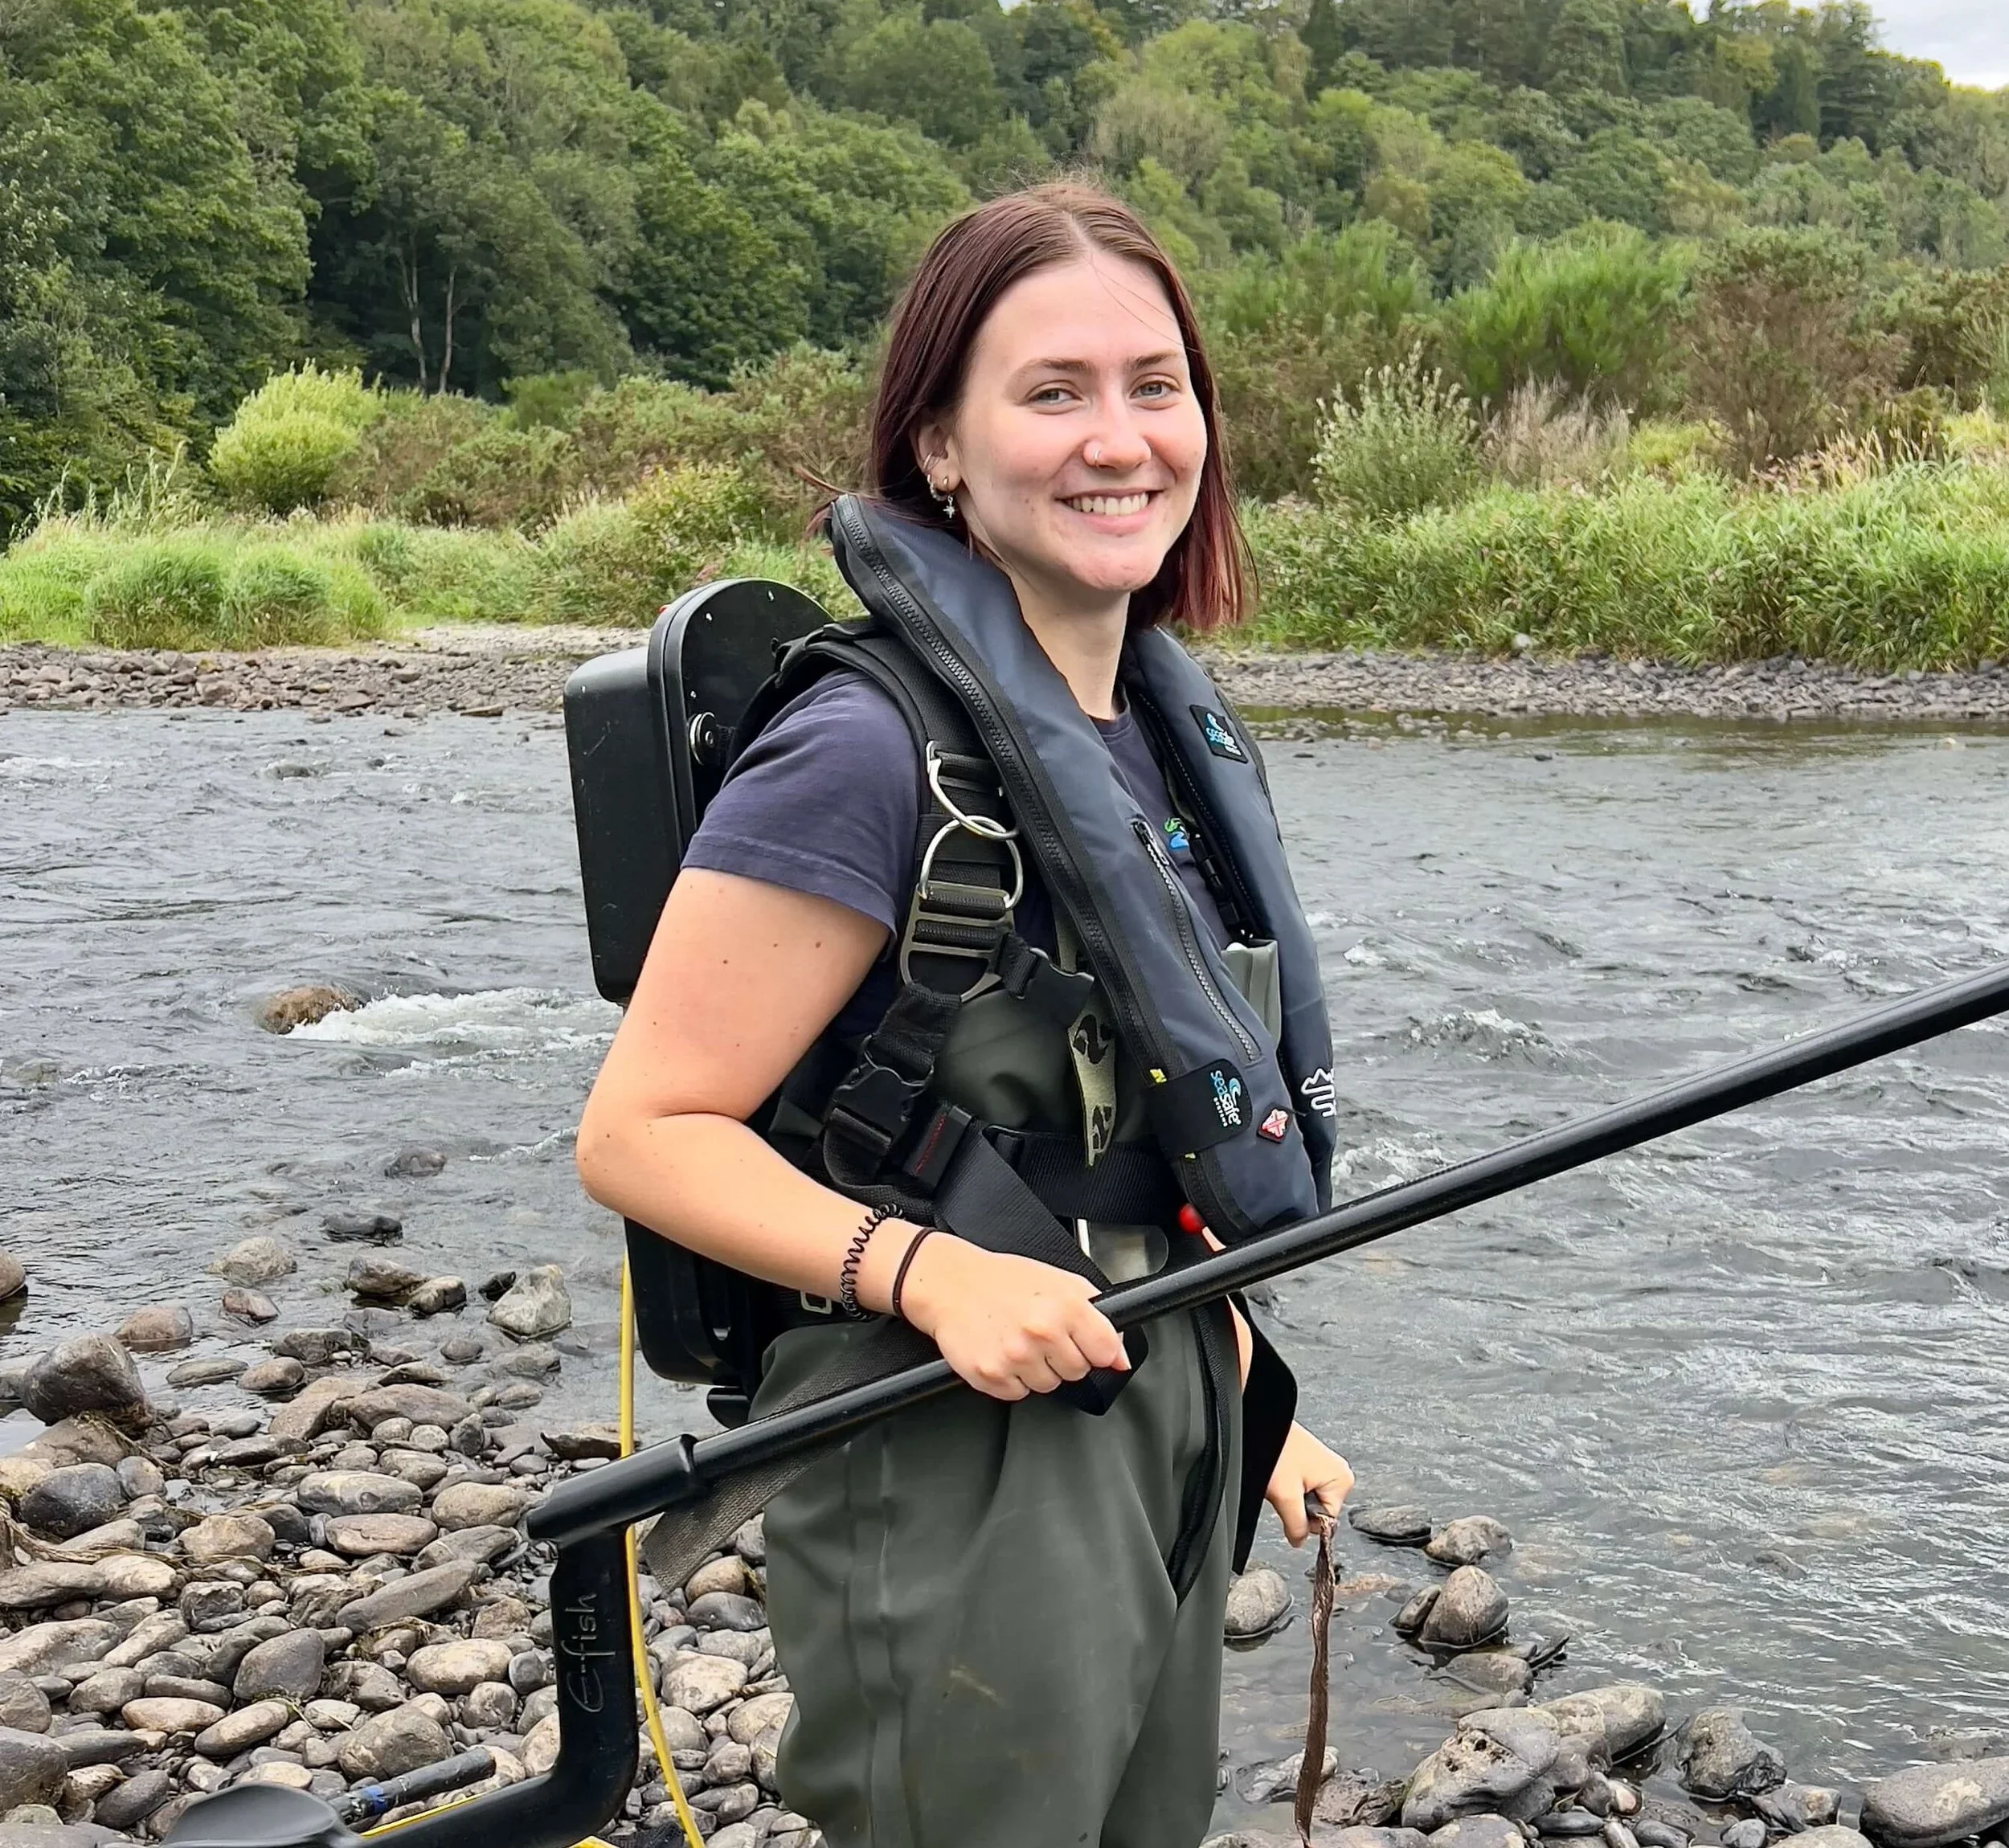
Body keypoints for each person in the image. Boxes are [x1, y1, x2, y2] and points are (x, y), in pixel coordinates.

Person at [576, 182, 1352, 1848]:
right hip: (940, 1424)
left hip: (1158, 1389)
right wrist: (929, 1272)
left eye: (1155, 385)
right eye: (1049, 391)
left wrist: (1235, 1378)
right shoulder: (859, 754)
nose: (1118, 438)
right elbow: (638, 1131)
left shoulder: (1158, 741)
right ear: (939, 445)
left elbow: (1142, 1132)